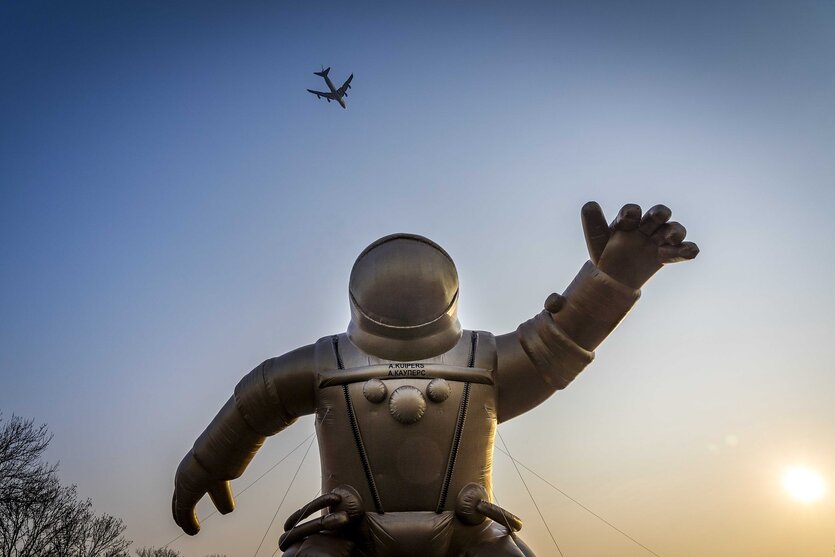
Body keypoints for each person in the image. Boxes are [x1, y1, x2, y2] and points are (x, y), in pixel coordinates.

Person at [172, 202, 699, 556]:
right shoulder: (483, 359)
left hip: (439, 530)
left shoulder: (330, 362)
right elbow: (556, 344)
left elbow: (254, 400)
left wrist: (202, 467)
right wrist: (613, 278)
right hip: (369, 531)